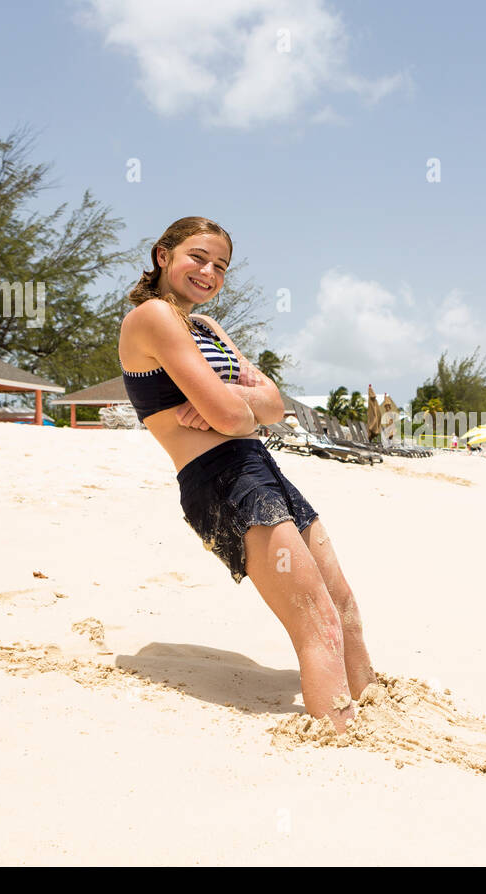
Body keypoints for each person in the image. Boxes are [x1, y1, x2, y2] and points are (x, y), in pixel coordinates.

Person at [117, 217, 374, 733]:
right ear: (163, 256)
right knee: (314, 615)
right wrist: (236, 404)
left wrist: (227, 402)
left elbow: (275, 406)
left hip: (260, 466)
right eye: (197, 257)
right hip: (219, 477)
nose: (209, 271)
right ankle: (342, 735)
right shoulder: (152, 318)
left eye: (221, 265)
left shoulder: (207, 328)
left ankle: (374, 709)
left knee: (341, 600)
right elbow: (238, 418)